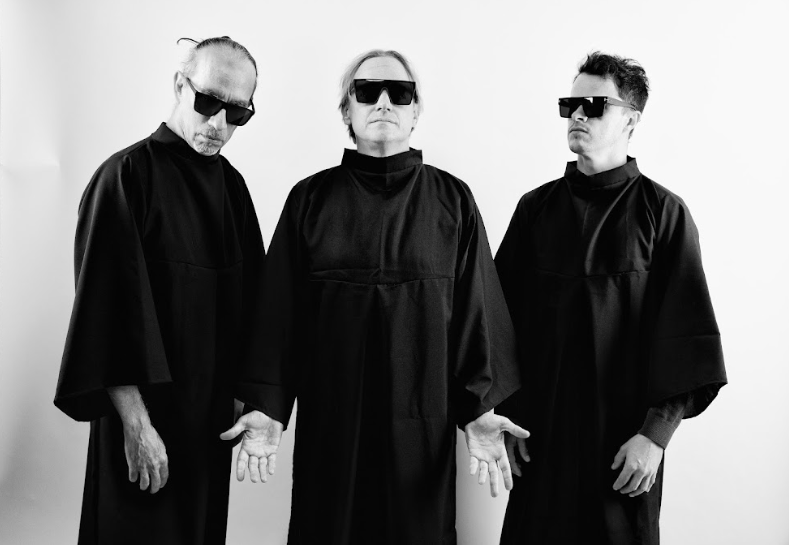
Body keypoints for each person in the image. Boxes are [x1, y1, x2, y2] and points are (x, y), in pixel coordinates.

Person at [222, 49, 528, 544]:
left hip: (420, 434)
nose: (383, 102)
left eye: (399, 93)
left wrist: (479, 410)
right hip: (332, 431)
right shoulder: (310, 200)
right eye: (366, 92)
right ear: (347, 109)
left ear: (415, 110)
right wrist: (268, 406)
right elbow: (278, 316)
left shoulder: (452, 201)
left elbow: (477, 313)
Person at [495, 51, 728, 545]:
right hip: (541, 445)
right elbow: (497, 323)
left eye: (595, 104)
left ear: (631, 120)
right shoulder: (535, 210)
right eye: (570, 105)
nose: (578, 115)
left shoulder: (663, 214)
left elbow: (688, 336)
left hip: (623, 451)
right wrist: (506, 420)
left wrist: (655, 435)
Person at [54, 36, 265, 545]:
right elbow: (105, 315)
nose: (219, 124)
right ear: (179, 85)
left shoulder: (233, 190)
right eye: (208, 101)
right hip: (143, 426)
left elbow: (254, 310)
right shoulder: (126, 176)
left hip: (207, 431)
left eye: (237, 113)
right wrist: (137, 427)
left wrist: (246, 402)